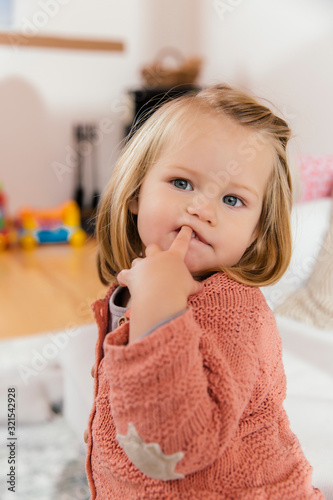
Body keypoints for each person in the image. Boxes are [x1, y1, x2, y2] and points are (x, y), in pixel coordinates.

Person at [85, 84, 323, 499]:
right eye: (181, 182)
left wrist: (159, 301)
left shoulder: (232, 309)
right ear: (138, 190)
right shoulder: (143, 283)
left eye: (232, 199)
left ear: (255, 233)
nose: (202, 209)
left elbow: (171, 448)